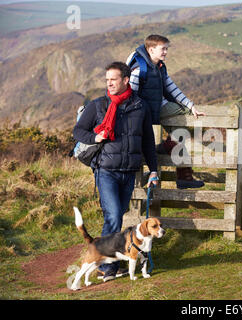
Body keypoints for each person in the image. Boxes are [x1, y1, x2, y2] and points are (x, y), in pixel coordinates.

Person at [73, 61, 158, 282]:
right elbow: (78, 130)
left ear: (126, 80)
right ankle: (106, 269)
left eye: (113, 79)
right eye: (107, 80)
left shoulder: (140, 106)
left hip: (129, 171)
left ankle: (107, 260)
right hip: (106, 170)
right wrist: (95, 138)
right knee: (112, 216)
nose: (109, 83)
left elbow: (148, 141)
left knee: (118, 215)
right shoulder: (99, 105)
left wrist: (154, 170)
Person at [126, 34, 205, 189]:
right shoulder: (138, 70)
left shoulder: (159, 67)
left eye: (167, 49)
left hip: (159, 106)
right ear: (151, 49)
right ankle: (182, 173)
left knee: (180, 131)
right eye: (163, 49)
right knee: (179, 132)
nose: (166, 52)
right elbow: (131, 95)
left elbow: (171, 87)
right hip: (147, 111)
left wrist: (190, 105)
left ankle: (179, 167)